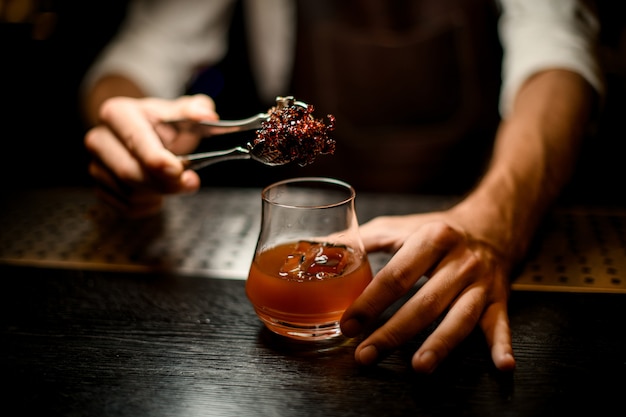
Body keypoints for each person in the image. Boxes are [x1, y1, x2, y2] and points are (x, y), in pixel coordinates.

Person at [80, 0, 604, 373]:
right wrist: (129, 131)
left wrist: (495, 218)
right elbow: (144, 52)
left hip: (470, 198)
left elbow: (558, 51)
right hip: (304, 213)